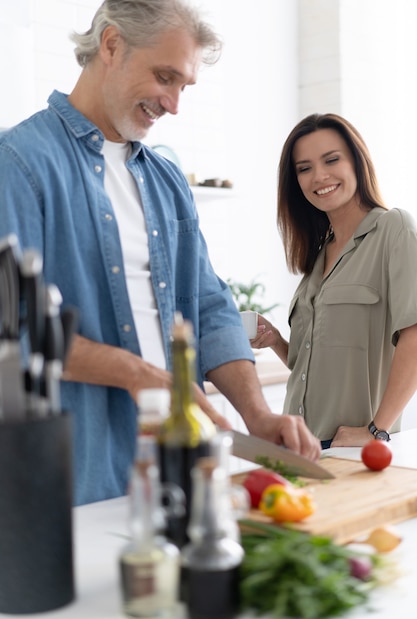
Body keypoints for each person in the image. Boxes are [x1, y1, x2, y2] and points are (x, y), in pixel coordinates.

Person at [0, 0, 320, 505]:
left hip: (177, 468)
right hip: (79, 476)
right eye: (164, 77)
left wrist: (257, 416)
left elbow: (210, 307)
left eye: (183, 86)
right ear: (111, 45)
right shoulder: (18, 163)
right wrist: (141, 375)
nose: (174, 104)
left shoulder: (166, 178)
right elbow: (18, 330)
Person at [251, 112, 417, 449]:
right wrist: (278, 342)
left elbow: (414, 338)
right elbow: (316, 363)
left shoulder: (393, 230)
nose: (319, 176)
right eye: (304, 168)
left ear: (356, 161)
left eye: (331, 160)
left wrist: (376, 431)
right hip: (299, 446)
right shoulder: (319, 255)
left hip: (356, 452)